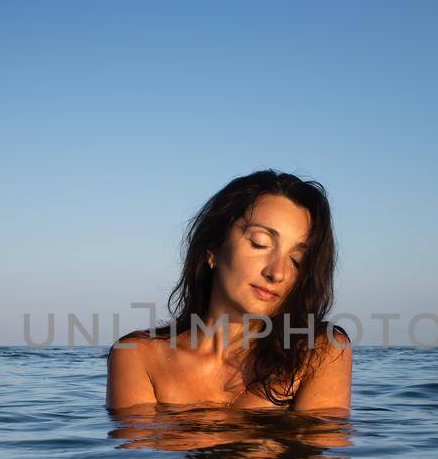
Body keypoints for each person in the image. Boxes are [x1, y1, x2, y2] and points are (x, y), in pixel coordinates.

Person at [106, 170, 351, 411]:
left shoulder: (319, 352)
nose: (277, 272)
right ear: (213, 247)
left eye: (296, 260)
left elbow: (322, 447)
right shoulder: (138, 357)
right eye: (260, 243)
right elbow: (133, 452)